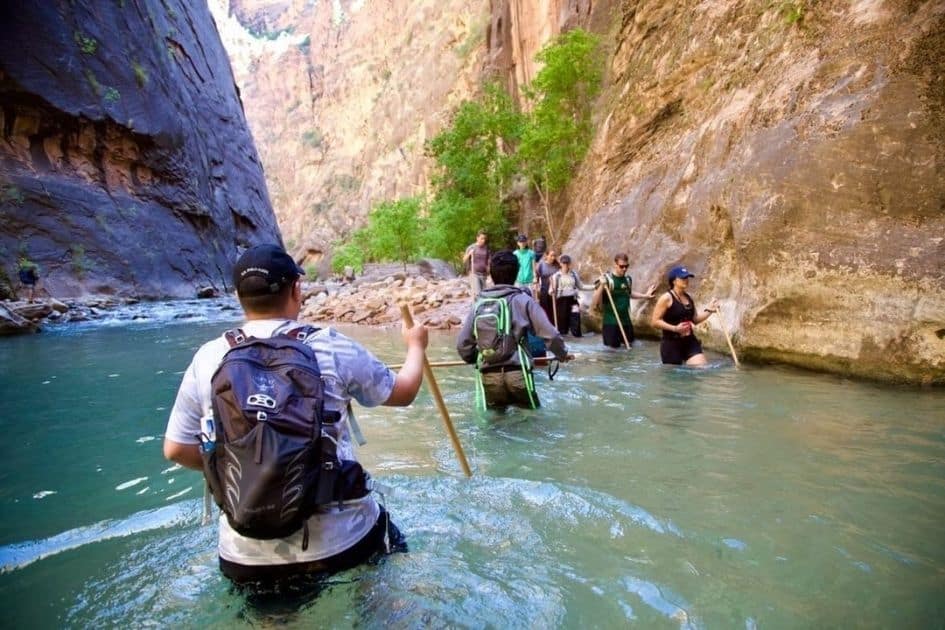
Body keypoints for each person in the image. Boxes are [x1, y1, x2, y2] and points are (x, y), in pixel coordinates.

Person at [163, 244, 429, 584]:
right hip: (341, 540)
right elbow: (404, 391)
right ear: (296, 290)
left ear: (238, 297)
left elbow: (176, 449)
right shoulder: (331, 345)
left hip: (243, 555)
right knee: (388, 582)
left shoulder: (208, 358)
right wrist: (416, 346)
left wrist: (254, 468)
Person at [456, 250, 572, 409]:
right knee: (529, 422)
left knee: (497, 424)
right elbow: (550, 335)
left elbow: (463, 345)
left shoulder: (478, 304)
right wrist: (562, 354)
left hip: (489, 376)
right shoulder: (524, 301)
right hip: (518, 374)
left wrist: (475, 358)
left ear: (491, 274)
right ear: (516, 273)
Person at [651, 265, 719, 366]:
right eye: (682, 278)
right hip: (671, 343)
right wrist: (675, 328)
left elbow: (695, 319)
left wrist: (710, 310)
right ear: (674, 281)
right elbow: (655, 322)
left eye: (687, 277)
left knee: (702, 368)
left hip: (689, 341)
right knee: (675, 378)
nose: (686, 280)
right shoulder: (666, 298)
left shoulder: (688, 297)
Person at [591, 253, 656, 348]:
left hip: (626, 322)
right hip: (611, 323)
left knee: (629, 350)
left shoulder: (628, 279)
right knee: (612, 353)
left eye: (626, 266)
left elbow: (629, 293)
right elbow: (595, 302)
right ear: (615, 265)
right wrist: (601, 285)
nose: (624, 269)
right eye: (621, 266)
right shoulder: (608, 280)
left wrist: (645, 295)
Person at [549, 255, 592, 336]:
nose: (565, 265)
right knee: (563, 327)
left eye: (567, 263)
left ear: (569, 264)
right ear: (560, 264)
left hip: (573, 300)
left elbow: (581, 286)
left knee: (576, 321)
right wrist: (551, 291)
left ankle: (577, 339)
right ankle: (566, 344)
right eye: (564, 263)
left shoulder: (574, 274)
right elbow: (551, 290)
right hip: (561, 302)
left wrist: (594, 287)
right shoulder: (556, 276)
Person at [462, 231, 490, 300]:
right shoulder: (471, 247)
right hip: (474, 273)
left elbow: (488, 261)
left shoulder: (486, 248)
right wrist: (469, 254)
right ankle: (477, 308)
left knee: (484, 293)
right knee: (478, 293)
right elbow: (464, 260)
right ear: (477, 238)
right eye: (481, 238)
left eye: (484, 239)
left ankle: (482, 308)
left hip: (483, 274)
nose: (483, 240)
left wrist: (488, 270)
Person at [535, 249, 560, 324]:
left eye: (554, 256)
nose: (553, 257)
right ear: (546, 256)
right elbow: (536, 276)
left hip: (555, 291)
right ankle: (546, 326)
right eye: (551, 255)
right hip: (544, 291)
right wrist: (536, 284)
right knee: (545, 309)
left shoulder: (557, 266)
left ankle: (555, 327)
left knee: (554, 310)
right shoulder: (541, 264)